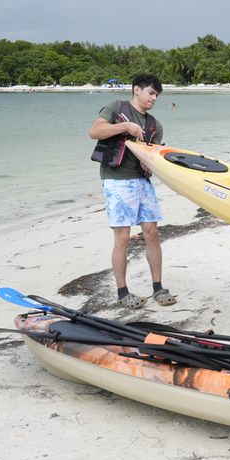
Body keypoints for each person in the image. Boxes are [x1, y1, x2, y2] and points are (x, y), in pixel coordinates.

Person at [88, 73, 177, 309]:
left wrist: (151, 164)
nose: (154, 98)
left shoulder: (154, 125)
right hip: (117, 180)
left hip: (142, 182)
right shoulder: (117, 108)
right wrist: (125, 126)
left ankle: (158, 287)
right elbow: (95, 132)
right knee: (123, 238)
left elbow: (153, 154)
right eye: (151, 92)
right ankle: (122, 292)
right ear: (136, 90)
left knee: (152, 232)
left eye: (157, 95)